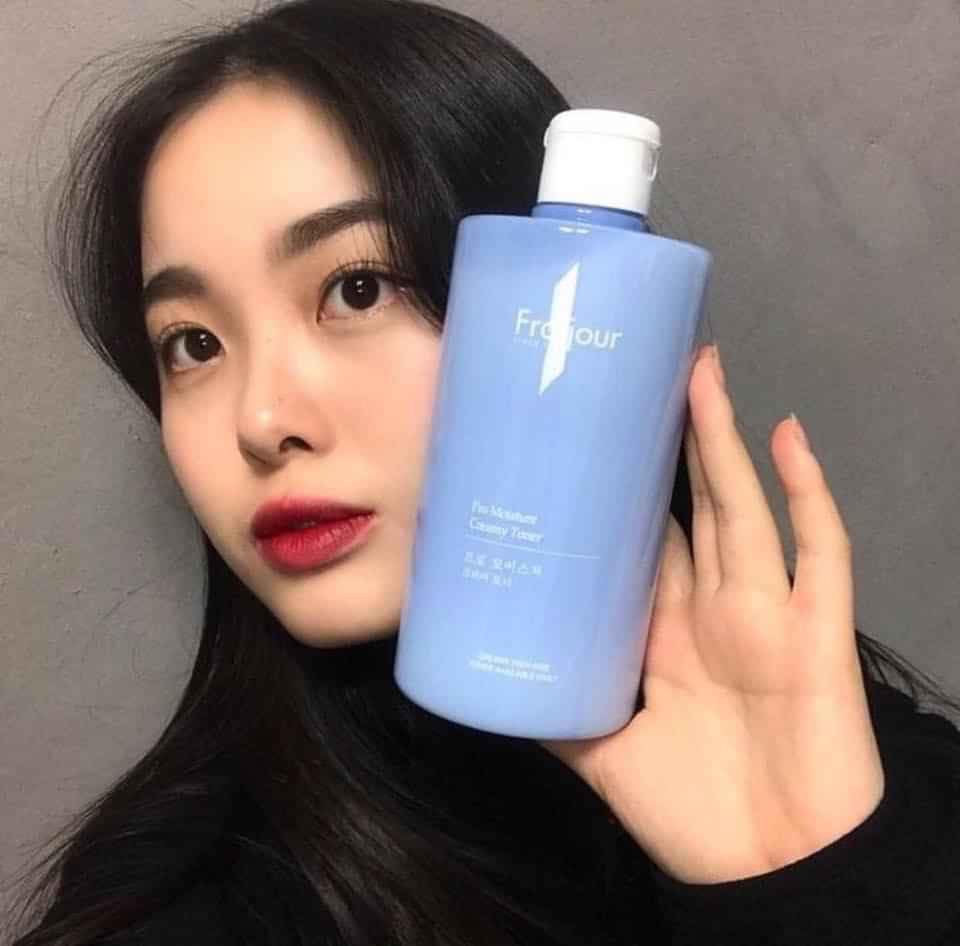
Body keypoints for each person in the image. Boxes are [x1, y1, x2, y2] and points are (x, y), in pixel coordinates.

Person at [7, 1, 960, 944]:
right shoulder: (179, 911)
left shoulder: (890, 787)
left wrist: (808, 883)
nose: (261, 422)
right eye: (192, 343)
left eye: (357, 288)